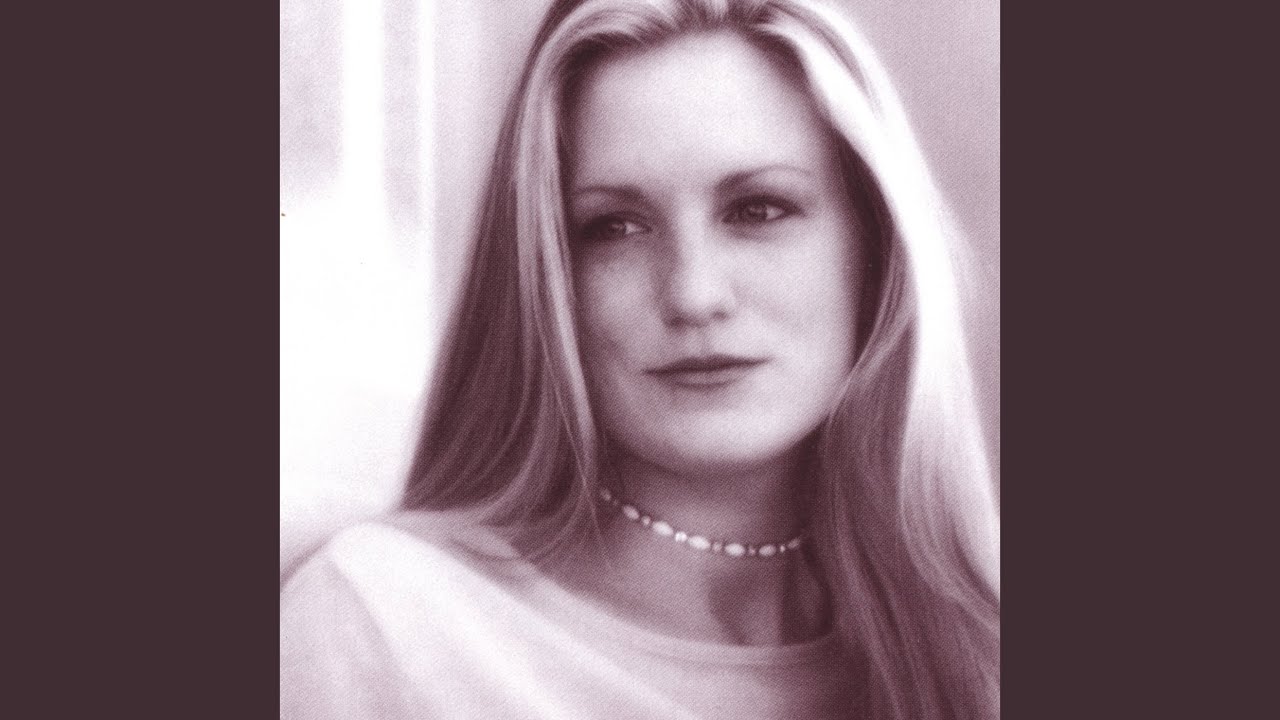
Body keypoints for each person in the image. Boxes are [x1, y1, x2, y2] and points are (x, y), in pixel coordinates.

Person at [280, 0, 999, 718]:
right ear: (547, 274)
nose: (693, 294)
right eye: (615, 227)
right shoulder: (386, 622)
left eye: (757, 210)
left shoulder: (978, 648)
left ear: (875, 248)